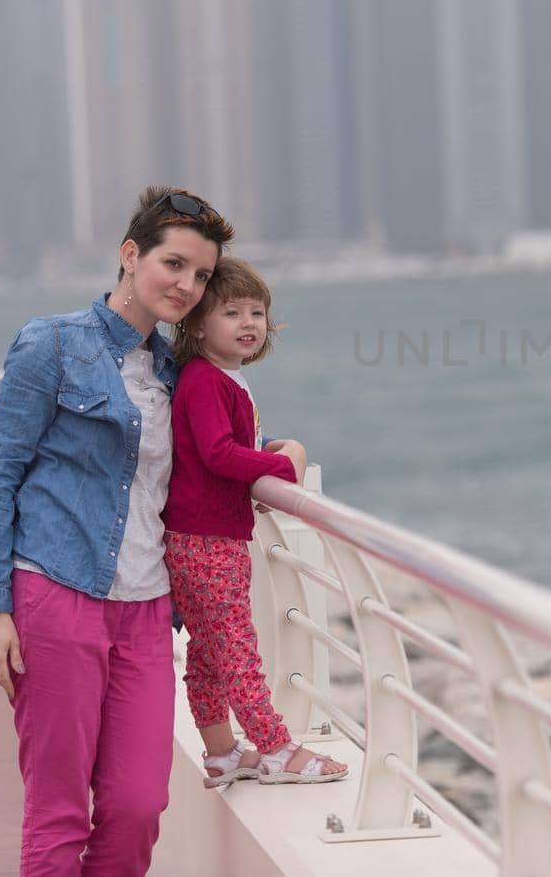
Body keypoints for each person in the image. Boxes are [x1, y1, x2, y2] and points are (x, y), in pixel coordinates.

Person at [0, 187, 234, 875]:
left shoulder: (178, 372)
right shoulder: (52, 344)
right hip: (57, 594)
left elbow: (208, 455)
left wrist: (275, 454)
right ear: (130, 255)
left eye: (201, 275)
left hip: (146, 610)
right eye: (173, 264)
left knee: (139, 806)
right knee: (59, 811)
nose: (186, 285)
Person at [163, 257, 348, 787]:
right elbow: (220, 455)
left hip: (201, 535)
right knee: (237, 646)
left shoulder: (222, 378)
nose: (248, 323)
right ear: (197, 324)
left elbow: (220, 450)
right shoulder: (204, 381)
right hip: (206, 540)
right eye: (231, 312)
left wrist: (265, 452)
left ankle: (223, 752)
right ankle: (275, 748)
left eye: (257, 312)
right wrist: (282, 464)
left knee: (208, 648)